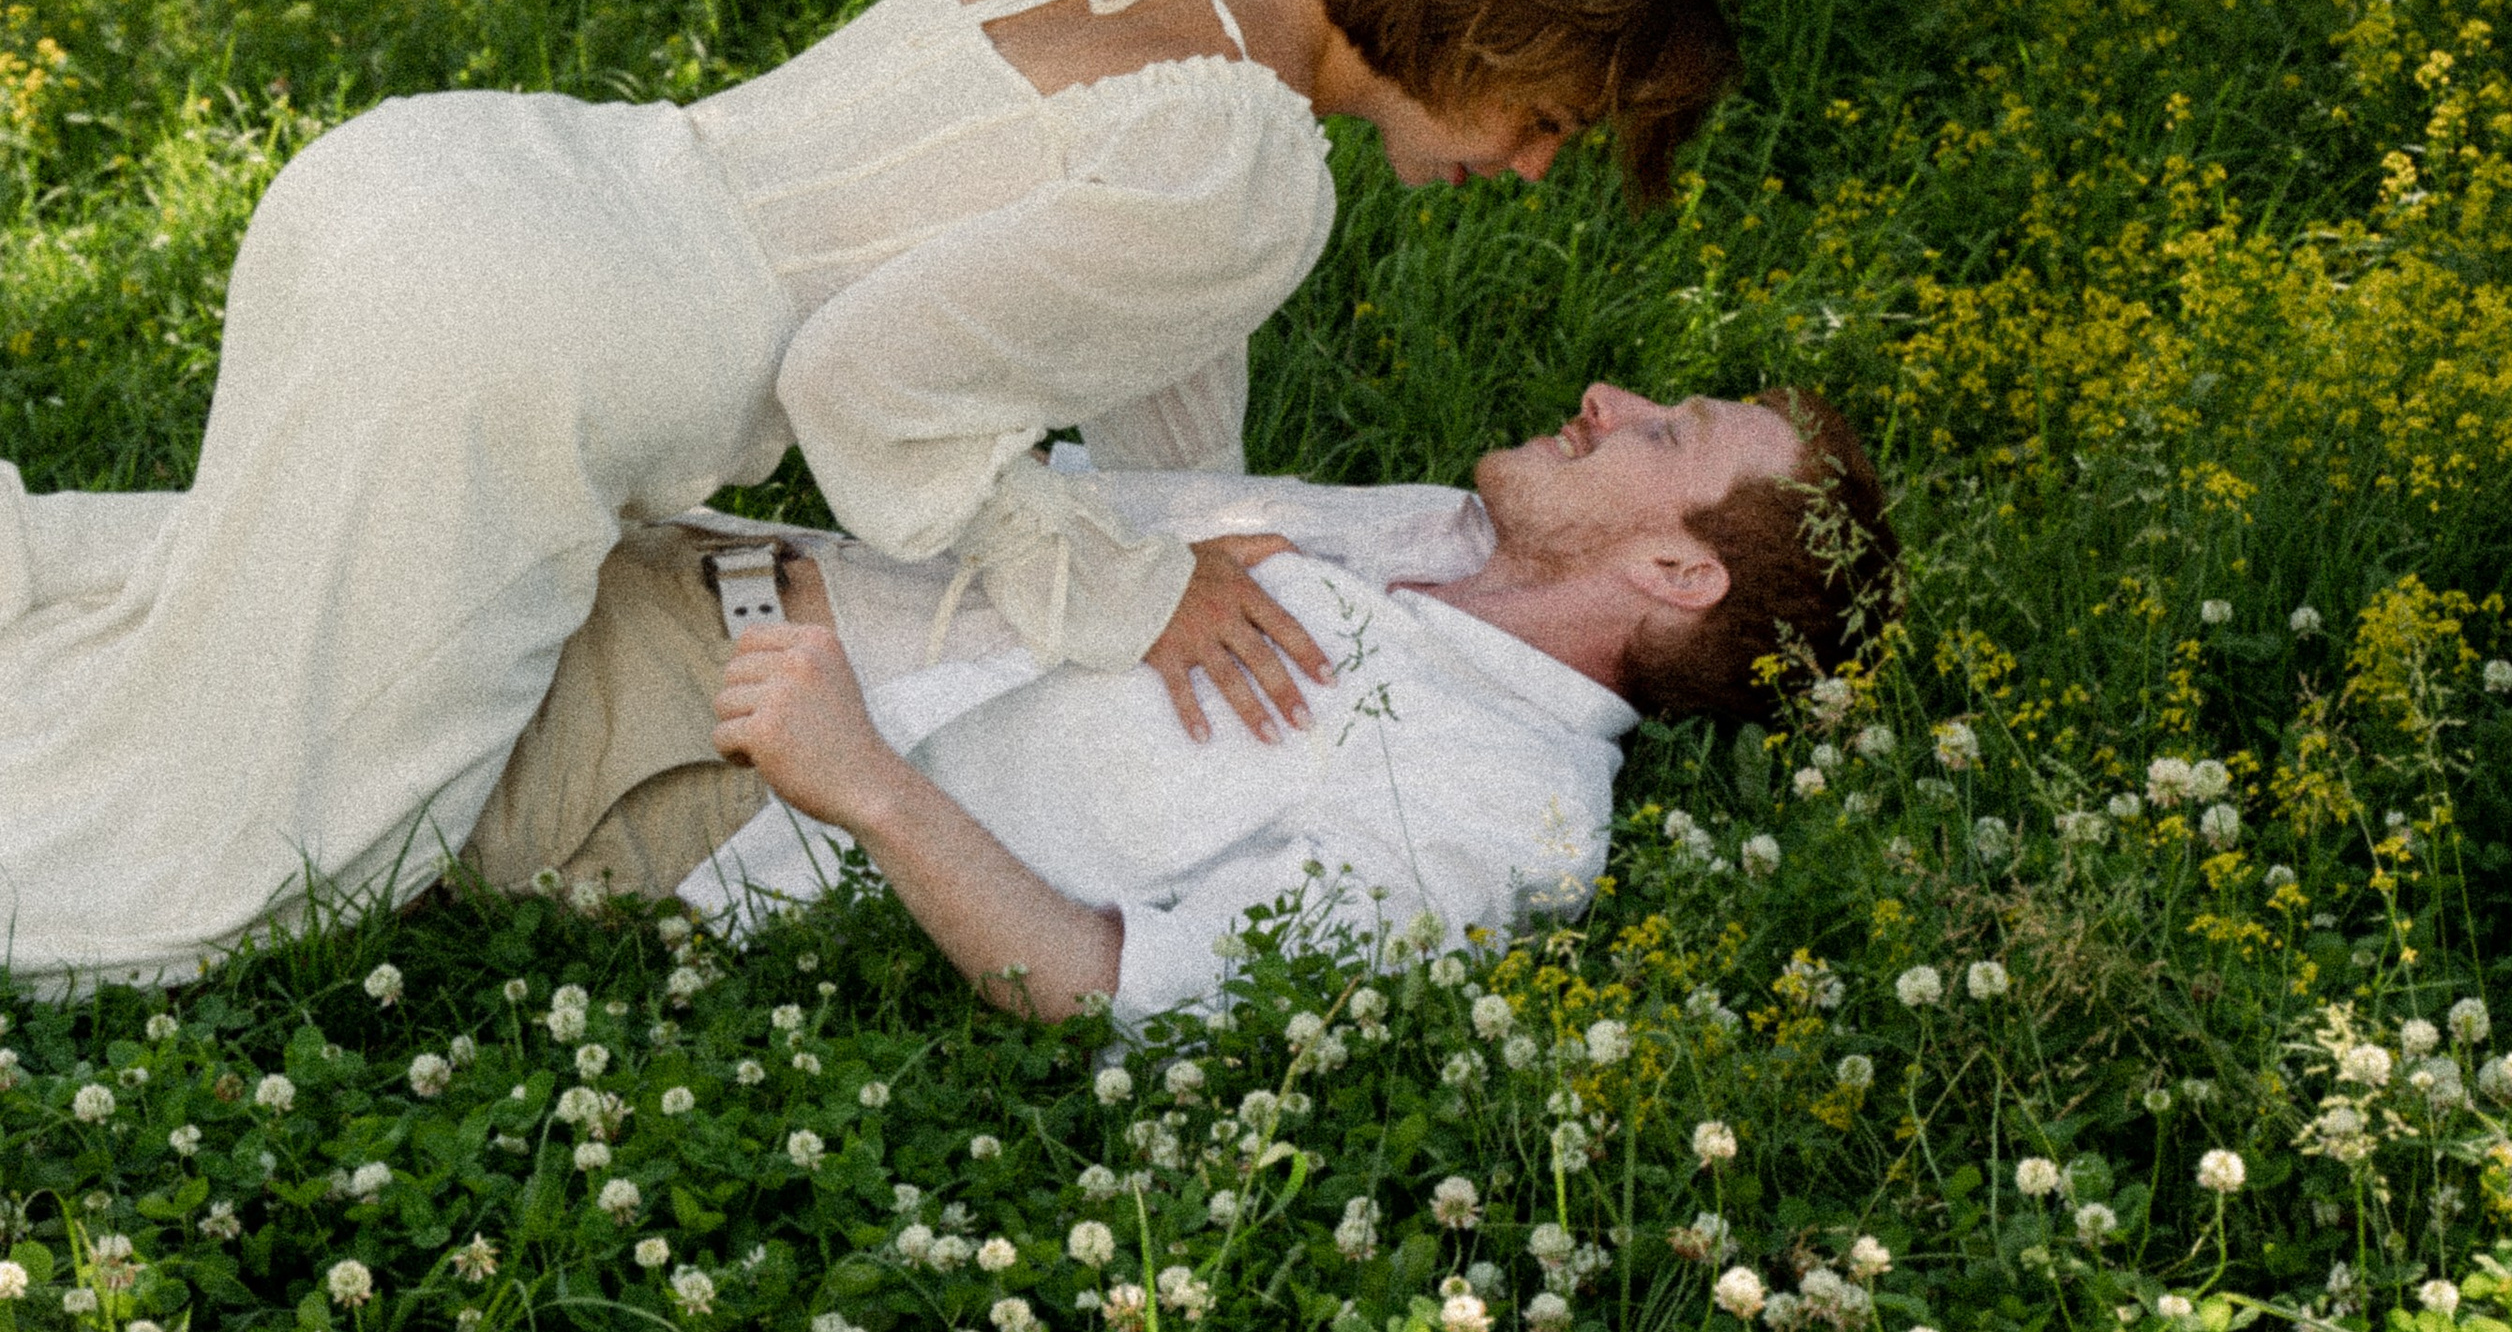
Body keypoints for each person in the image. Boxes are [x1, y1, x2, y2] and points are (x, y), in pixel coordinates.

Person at [0, 0, 1737, 989]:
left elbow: (1141, 369)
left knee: (203, 623)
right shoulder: (1254, 181)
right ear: (1502, 35)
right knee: (245, 860)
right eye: (1552, 124)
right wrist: (1127, 591)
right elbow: (859, 388)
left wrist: (1181, 541)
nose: (1523, 169)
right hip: (537, 351)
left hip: (443, 178)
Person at [462, 380, 1896, 1027]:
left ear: (1673, 570)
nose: (1601, 394)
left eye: (1662, 433)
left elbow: (1122, 992)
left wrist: (869, 789)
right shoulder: (1439, 535)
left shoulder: (1501, 816)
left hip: (681, 770)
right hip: (692, 557)